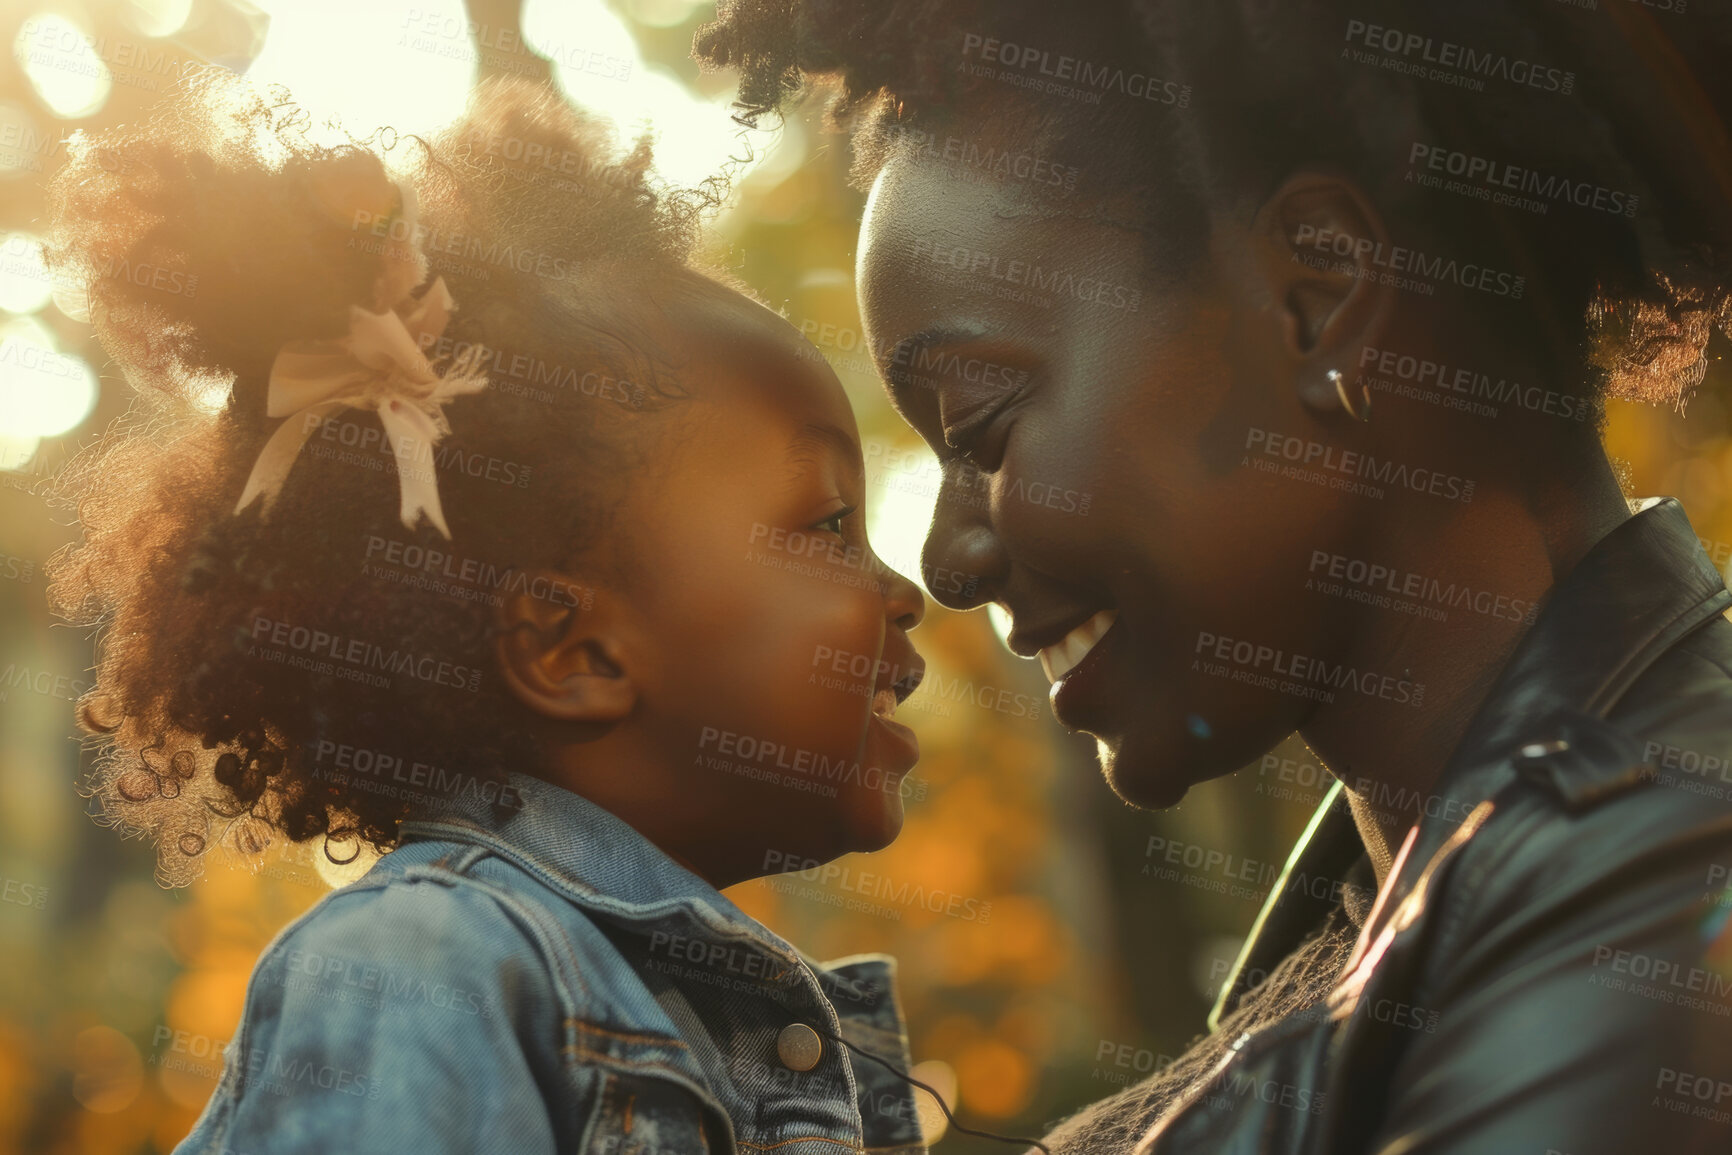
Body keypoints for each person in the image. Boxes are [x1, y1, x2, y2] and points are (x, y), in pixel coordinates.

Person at [695, 2, 1732, 1152]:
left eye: (983, 424)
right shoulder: (1392, 916)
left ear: (1319, 293)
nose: (943, 563)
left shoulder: (1658, 897)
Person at [44, 71, 930, 1154]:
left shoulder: (689, 1010)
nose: (905, 593)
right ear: (571, 650)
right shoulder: (429, 962)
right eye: (829, 526)